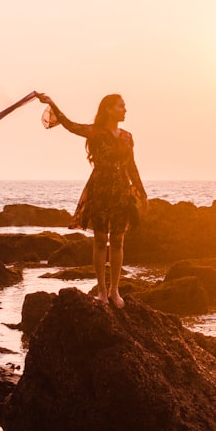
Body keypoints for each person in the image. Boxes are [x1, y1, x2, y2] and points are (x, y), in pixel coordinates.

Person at [36, 92, 146, 308]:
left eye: (125, 106)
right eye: (121, 106)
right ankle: (102, 291)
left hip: (121, 190)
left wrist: (141, 191)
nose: (125, 110)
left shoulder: (127, 137)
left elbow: (131, 166)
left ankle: (115, 290)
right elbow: (69, 125)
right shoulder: (95, 132)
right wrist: (52, 103)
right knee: (99, 240)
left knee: (117, 241)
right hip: (100, 189)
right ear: (108, 109)